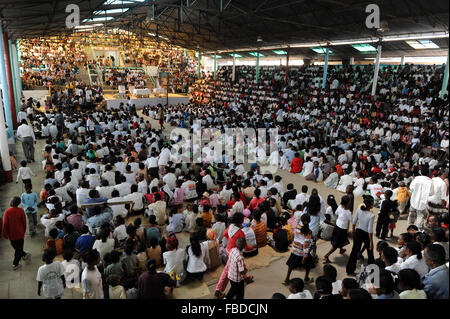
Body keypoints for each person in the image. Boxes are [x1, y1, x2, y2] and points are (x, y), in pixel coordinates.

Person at [346, 195, 375, 275]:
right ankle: (372, 270)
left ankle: (349, 270)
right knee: (370, 251)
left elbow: (354, 221)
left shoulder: (359, 210)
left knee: (354, 251)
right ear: (371, 205)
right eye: (373, 203)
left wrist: (353, 230)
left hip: (358, 232)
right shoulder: (371, 215)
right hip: (366, 234)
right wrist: (371, 242)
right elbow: (370, 230)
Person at [284, 213, 316, 284]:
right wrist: (305, 256)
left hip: (295, 250)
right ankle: (306, 278)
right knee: (309, 265)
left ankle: (287, 279)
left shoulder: (297, 227)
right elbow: (306, 245)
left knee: (291, 265)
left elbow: (294, 236)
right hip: (302, 253)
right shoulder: (309, 232)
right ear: (309, 221)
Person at [2, 196, 30, 270]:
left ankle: (16, 263)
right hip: (20, 234)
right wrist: (23, 231)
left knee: (17, 248)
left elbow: (5, 224)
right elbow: (24, 222)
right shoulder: (21, 211)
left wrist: (5, 234)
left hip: (11, 235)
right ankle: (20, 258)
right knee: (18, 249)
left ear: (11, 203)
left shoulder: (7, 212)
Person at [323, 195, 352, 264]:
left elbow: (336, 213)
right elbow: (352, 221)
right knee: (336, 244)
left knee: (339, 240)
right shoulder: (348, 212)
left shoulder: (339, 207)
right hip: (342, 229)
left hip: (337, 226)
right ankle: (326, 255)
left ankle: (341, 249)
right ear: (348, 203)